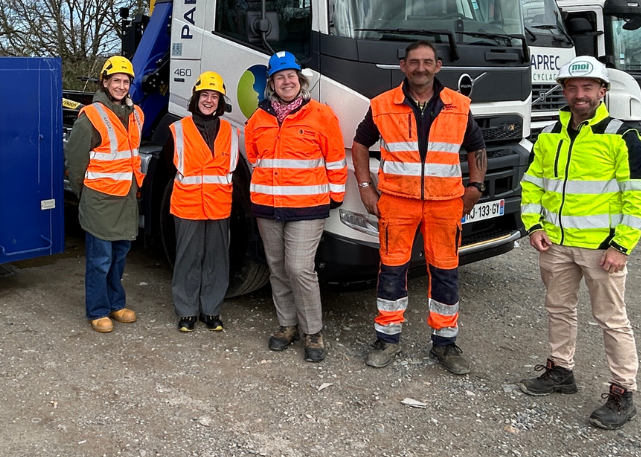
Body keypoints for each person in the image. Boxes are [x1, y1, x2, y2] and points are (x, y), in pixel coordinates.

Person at [518, 56, 641, 430]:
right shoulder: (549, 134)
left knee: (612, 320)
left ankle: (623, 392)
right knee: (558, 310)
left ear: (602, 91)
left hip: (601, 250)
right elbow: (532, 184)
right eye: (573, 88)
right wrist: (533, 226)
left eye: (588, 88)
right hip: (555, 245)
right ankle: (561, 371)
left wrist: (621, 246)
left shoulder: (621, 135)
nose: (580, 95)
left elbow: (639, 196)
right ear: (564, 90)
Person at [351, 40, 487, 375]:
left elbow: (476, 147)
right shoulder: (382, 105)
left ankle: (445, 342)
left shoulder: (458, 105)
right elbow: (359, 144)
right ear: (403, 66)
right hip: (397, 203)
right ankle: (387, 338)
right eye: (414, 62)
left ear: (438, 66)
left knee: (445, 273)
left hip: (445, 204)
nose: (421, 68)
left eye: (427, 62)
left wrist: (476, 187)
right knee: (392, 272)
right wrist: (366, 188)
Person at [245, 51, 347, 363]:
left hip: (307, 207)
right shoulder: (258, 120)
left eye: (291, 76)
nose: (286, 81)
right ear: (271, 84)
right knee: (276, 268)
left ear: (299, 80)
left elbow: (335, 159)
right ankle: (287, 325)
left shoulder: (321, 115)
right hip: (268, 206)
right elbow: (253, 156)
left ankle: (312, 332)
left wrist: (335, 196)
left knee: (299, 268)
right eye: (280, 77)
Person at [65, 56, 144, 333]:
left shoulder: (137, 114)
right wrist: (84, 195)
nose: (121, 86)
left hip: (125, 199)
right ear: (105, 82)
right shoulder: (92, 116)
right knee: (100, 260)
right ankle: (97, 310)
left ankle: (115, 303)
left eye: (126, 81)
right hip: (99, 200)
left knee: (119, 257)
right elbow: (75, 163)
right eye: (116, 81)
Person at [163, 71, 238, 333]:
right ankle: (186, 311)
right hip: (187, 204)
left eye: (214, 96)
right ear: (195, 99)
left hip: (218, 205)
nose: (209, 100)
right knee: (187, 259)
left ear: (221, 101)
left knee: (217, 259)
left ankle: (211, 310)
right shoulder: (177, 130)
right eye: (204, 95)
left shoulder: (232, 131)